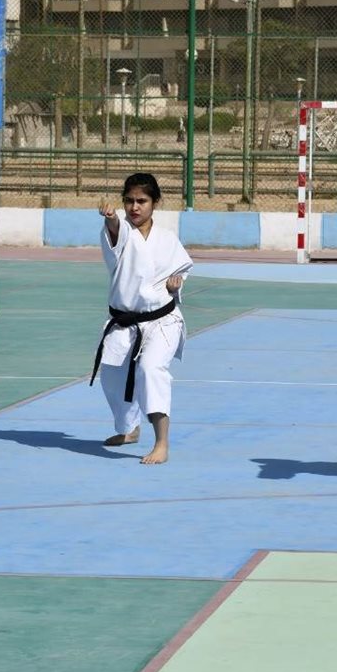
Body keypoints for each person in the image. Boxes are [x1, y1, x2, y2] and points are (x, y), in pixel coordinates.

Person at [91, 172, 193, 465]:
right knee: (112, 376)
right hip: (124, 322)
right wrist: (111, 218)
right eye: (129, 201)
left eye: (142, 201)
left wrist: (176, 285)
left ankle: (162, 443)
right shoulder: (121, 231)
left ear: (155, 202)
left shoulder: (167, 239)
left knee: (150, 369)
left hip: (163, 321)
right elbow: (115, 229)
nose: (134, 207)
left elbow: (181, 270)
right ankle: (129, 428)